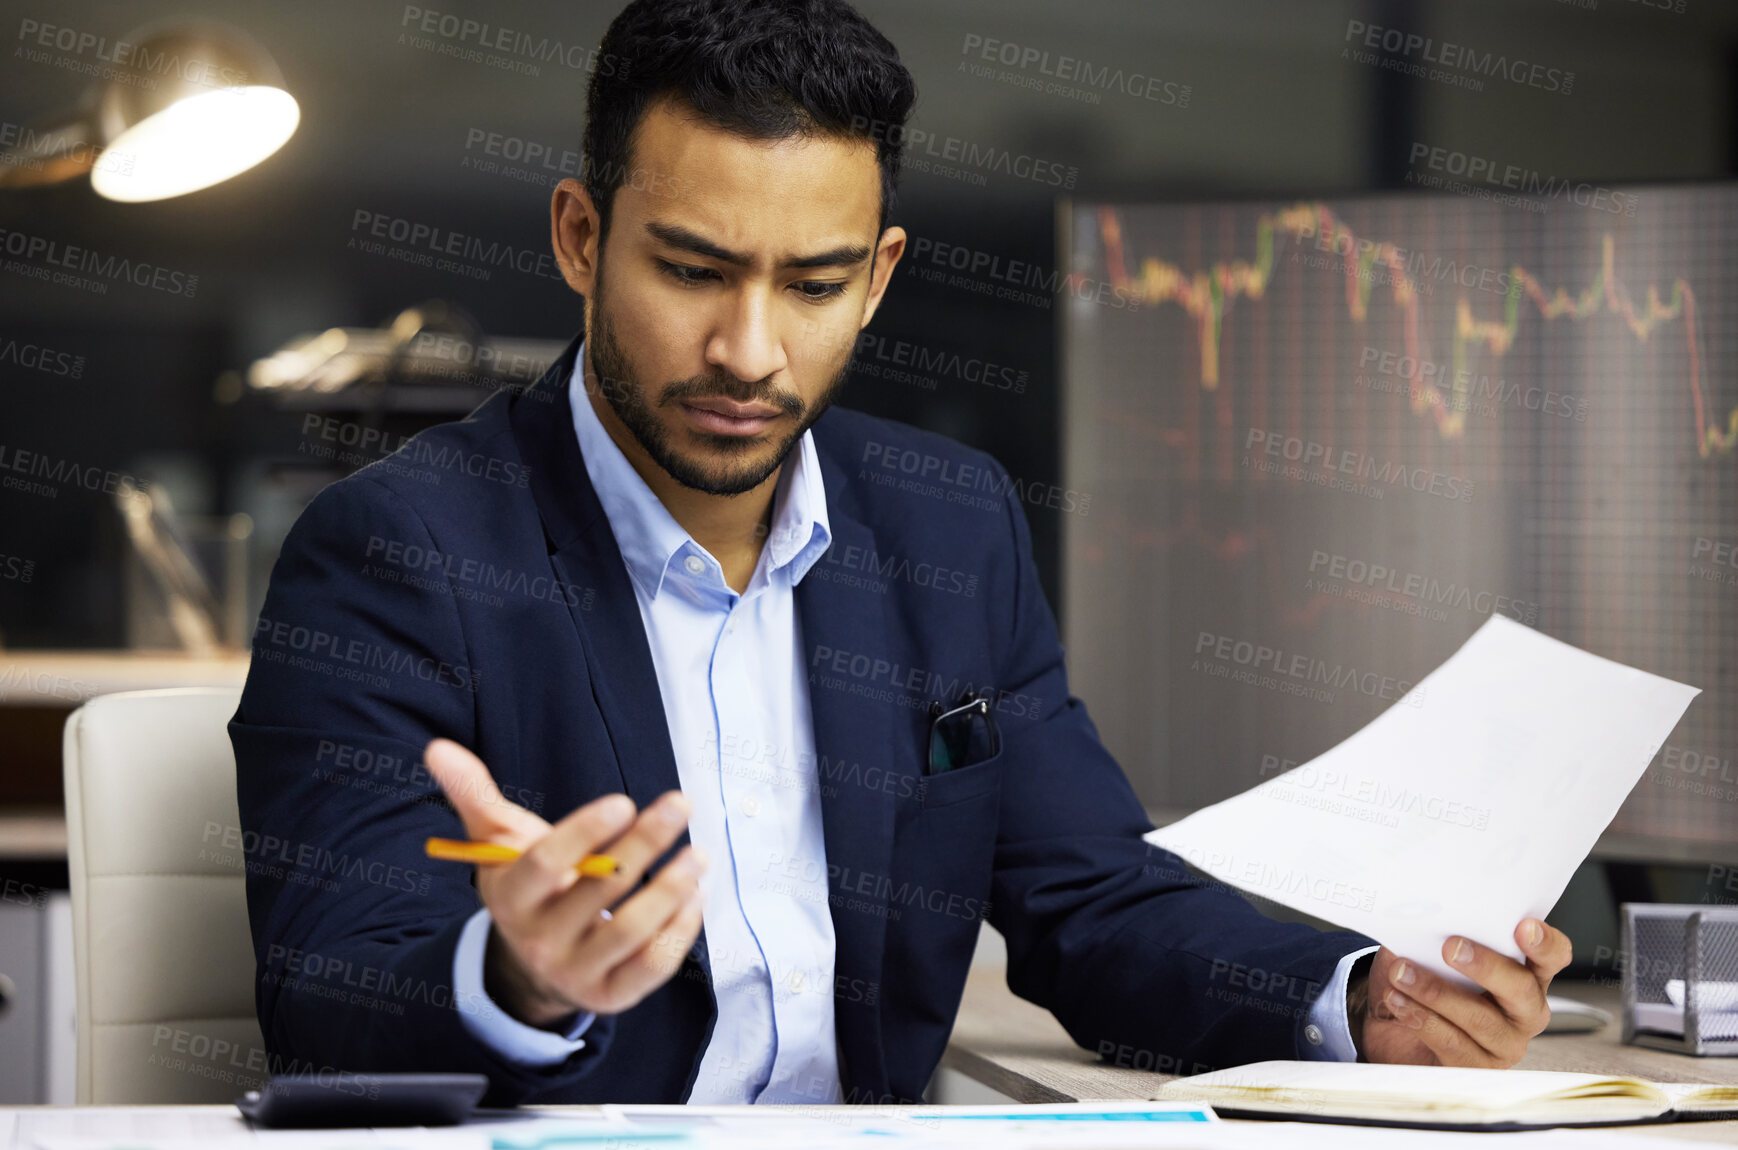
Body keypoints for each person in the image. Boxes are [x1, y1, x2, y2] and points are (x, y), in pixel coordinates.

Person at [231, 0, 1572, 1107]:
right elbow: (324, 995)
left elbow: (1090, 901)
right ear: (581, 240)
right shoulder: (396, 552)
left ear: (875, 278)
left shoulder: (945, 520)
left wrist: (1360, 999)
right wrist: (513, 974)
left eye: (811, 285)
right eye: (692, 271)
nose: (748, 351)